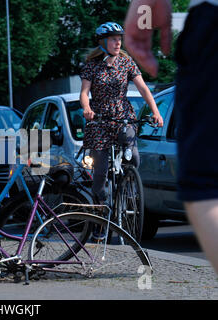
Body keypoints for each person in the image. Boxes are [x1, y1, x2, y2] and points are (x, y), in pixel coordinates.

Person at [124, 0, 218, 274]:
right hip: (106, 130)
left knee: (205, 187)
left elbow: (144, 90)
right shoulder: (93, 69)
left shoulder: (127, 68)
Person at [79, 22, 163, 206]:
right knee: (100, 172)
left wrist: (156, 112)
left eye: (119, 39)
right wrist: (87, 109)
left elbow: (144, 90)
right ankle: (100, 210)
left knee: (133, 156)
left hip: (122, 115)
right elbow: (84, 93)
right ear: (102, 42)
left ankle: (129, 185)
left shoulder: (126, 63)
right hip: (99, 120)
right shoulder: (92, 66)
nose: (118, 43)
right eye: (113, 40)